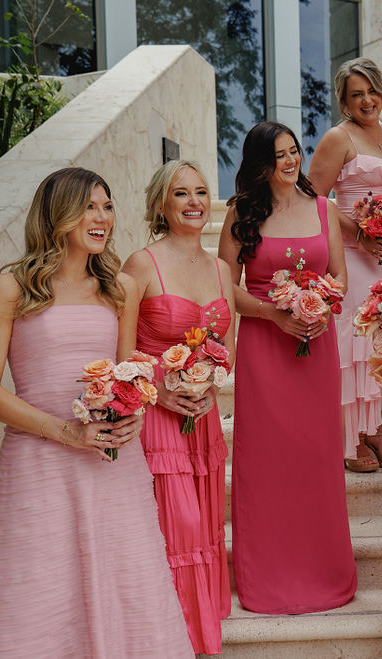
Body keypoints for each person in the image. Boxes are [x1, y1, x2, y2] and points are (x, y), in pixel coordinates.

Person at [0, 167, 193, 656]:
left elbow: (126, 371)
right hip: (37, 464)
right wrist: (65, 432)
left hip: (111, 463)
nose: (102, 218)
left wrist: (133, 411)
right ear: (58, 214)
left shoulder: (120, 288)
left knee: (125, 580)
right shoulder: (10, 288)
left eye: (108, 206)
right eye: (90, 206)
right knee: (37, 588)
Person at [218, 121, 356, 614]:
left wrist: (320, 303)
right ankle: (268, 577)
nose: (290, 160)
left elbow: (338, 275)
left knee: (316, 460)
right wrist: (273, 314)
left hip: (317, 350)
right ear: (260, 162)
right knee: (267, 463)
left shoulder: (325, 209)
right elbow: (224, 285)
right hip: (263, 349)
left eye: (294, 151)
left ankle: (324, 572)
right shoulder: (242, 213)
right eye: (279, 154)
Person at [122, 160, 234, 653]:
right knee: (179, 526)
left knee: (204, 524)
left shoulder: (222, 269)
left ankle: (202, 618)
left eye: (201, 192)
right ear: (161, 206)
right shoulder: (141, 264)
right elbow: (122, 351)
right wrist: (163, 392)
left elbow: (222, 349)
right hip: (156, 417)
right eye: (181, 193)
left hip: (202, 414)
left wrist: (209, 386)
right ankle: (175, 635)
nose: (193, 202)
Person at [308, 57, 382, 472]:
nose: (367, 100)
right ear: (344, 100)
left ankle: (381, 427)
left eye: (372, 90)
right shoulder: (338, 138)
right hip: (354, 256)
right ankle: (354, 436)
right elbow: (315, 198)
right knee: (360, 346)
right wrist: (358, 234)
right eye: (357, 94)